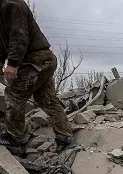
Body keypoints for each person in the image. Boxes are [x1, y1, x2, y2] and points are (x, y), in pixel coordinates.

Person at [0, 0, 74, 154]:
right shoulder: (3, 11)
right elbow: (2, 46)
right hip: (43, 59)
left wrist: (12, 63)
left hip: (36, 59)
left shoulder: (12, 5)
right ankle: (65, 138)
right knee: (47, 100)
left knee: (14, 93)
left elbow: (19, 36)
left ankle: (13, 138)